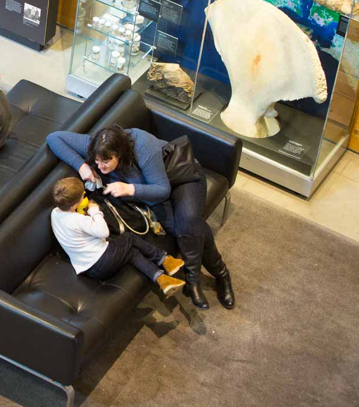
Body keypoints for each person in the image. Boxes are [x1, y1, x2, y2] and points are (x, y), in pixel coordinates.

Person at [46, 125, 235, 310]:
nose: (100, 166)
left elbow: (162, 190)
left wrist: (129, 189)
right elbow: (54, 137)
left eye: (106, 162)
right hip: (152, 194)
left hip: (180, 178)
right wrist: (81, 166)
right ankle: (210, 277)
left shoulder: (142, 145)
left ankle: (210, 277)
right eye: (97, 161)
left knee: (189, 224)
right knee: (182, 229)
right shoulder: (97, 144)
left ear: (119, 153)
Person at [51, 177, 185, 296]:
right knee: (129, 237)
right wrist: (95, 211)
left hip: (90, 269)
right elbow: (104, 232)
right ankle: (164, 259)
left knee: (132, 253)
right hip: (103, 260)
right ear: (76, 204)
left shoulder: (55, 213)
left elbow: (76, 229)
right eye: (82, 195)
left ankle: (162, 279)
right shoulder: (79, 220)